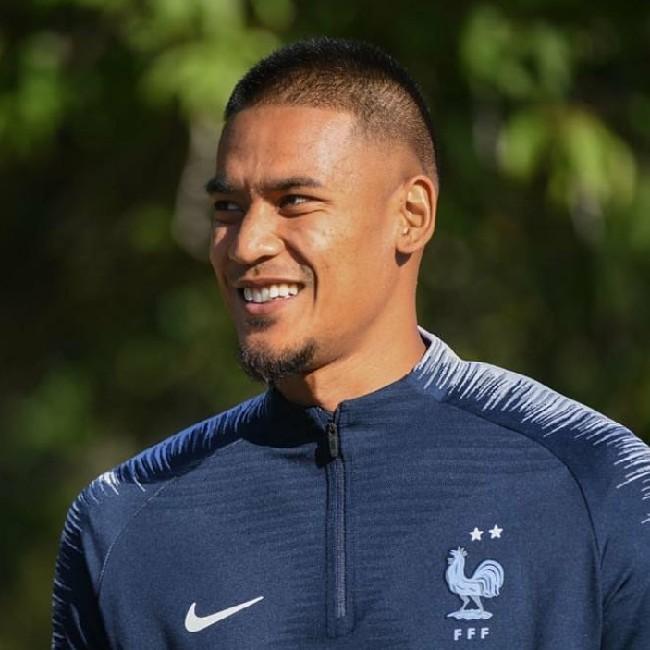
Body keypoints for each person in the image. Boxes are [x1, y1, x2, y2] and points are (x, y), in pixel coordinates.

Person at [52, 37, 650, 649]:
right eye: (228, 208)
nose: (246, 244)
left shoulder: (598, 484)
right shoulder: (123, 524)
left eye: (294, 202)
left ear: (411, 215)